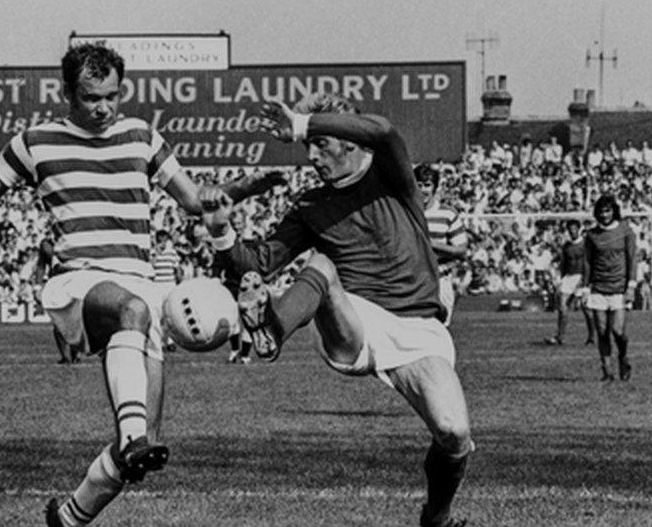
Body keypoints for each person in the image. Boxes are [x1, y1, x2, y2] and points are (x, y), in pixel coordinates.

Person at [0, 42, 280, 527]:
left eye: (113, 95)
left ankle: (70, 516)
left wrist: (241, 189)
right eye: (92, 97)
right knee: (131, 317)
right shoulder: (36, 142)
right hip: (81, 281)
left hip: (140, 284)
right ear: (67, 92)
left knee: (145, 443)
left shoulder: (142, 136)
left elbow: (196, 200)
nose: (104, 107)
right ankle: (132, 433)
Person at [200, 93, 472, 527]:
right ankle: (272, 330)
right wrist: (220, 233)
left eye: (320, 144)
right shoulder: (310, 206)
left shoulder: (389, 172)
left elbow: (381, 130)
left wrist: (302, 124)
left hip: (419, 327)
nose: (311, 156)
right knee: (322, 265)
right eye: (308, 147)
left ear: (349, 140)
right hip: (353, 316)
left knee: (454, 433)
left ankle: (435, 517)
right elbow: (258, 264)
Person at [582, 194, 637, 381]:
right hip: (598, 287)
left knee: (618, 331)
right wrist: (585, 288)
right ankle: (607, 371)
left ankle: (623, 356)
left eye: (608, 210)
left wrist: (631, 285)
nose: (604, 214)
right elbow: (588, 262)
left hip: (619, 288)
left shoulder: (626, 231)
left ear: (614, 211)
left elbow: (632, 259)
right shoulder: (591, 235)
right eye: (601, 211)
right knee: (602, 331)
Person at [414, 163, 467, 327]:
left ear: (435, 187)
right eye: (419, 184)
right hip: (412, 282)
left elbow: (461, 250)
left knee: (440, 333)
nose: (423, 190)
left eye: (427, 185)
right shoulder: (405, 212)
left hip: (440, 280)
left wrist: (431, 244)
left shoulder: (448, 214)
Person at [34, 232, 84, 365]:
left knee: (76, 320)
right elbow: (41, 265)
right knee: (58, 322)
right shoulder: (46, 244)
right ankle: (65, 357)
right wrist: (37, 287)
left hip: (74, 280)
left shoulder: (73, 240)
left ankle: (75, 354)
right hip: (56, 283)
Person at [545, 220, 595, 347]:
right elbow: (564, 263)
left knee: (586, 309)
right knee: (562, 307)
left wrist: (586, 282)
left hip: (581, 277)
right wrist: (560, 279)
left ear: (578, 229)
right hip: (569, 277)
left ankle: (592, 337)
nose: (572, 231)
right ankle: (559, 337)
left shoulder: (585, 245)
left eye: (574, 228)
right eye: (570, 229)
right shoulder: (566, 246)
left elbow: (589, 264)